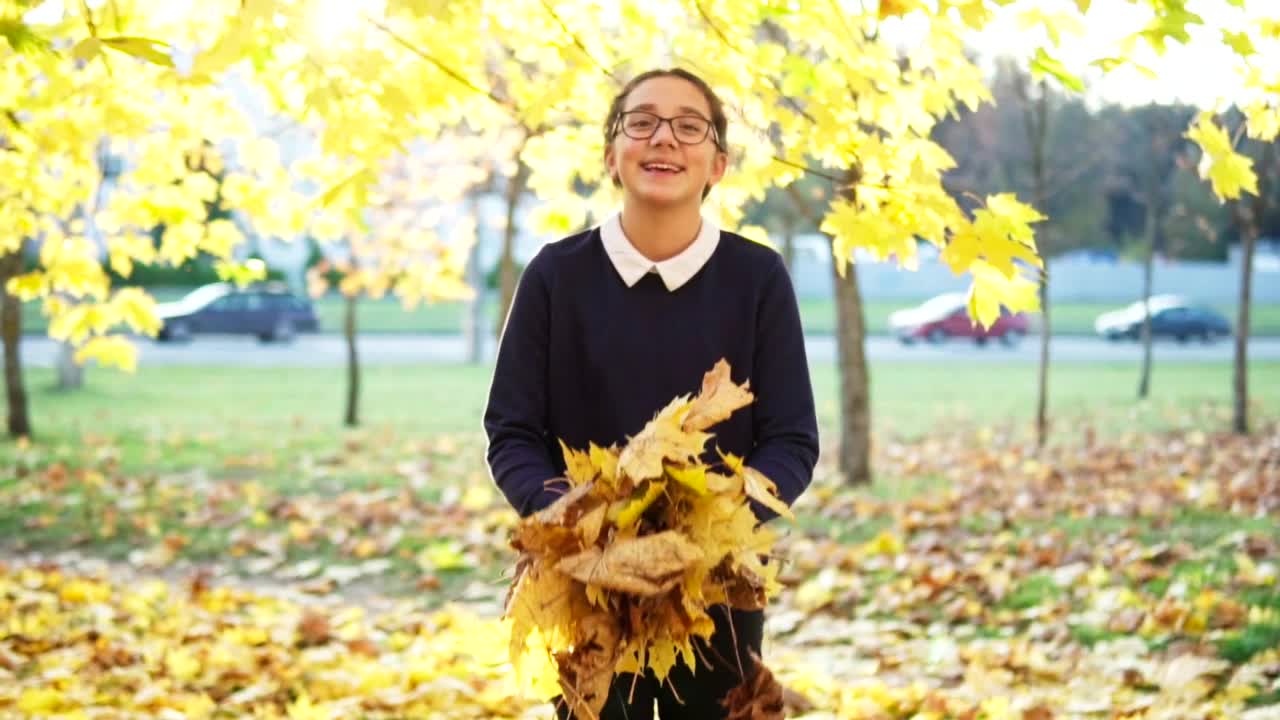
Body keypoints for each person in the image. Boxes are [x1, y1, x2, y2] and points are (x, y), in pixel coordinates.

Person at [483, 67, 820, 720]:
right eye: (642, 122)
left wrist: (707, 531)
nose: (664, 138)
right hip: (586, 581)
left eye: (689, 126)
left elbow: (791, 441)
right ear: (612, 155)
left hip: (716, 586)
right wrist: (581, 522)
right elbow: (513, 432)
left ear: (717, 164)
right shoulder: (555, 275)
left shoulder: (758, 278)